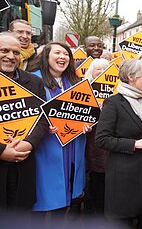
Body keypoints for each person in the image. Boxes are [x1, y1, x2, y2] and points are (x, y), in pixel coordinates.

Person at [95, 59, 142, 229]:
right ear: (131, 77)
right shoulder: (113, 103)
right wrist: (133, 144)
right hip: (124, 178)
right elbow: (102, 139)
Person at [26, 42, 89, 220]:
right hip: (45, 148)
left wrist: (86, 124)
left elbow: (84, 113)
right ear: (46, 57)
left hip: (72, 146)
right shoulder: (32, 80)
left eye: (66, 54)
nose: (62, 57)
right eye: (57, 53)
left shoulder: (76, 82)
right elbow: (25, 115)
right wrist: (44, 126)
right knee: (42, 197)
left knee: (64, 199)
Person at [0, 32, 46, 213]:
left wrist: (28, 143)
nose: (11, 56)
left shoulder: (35, 83)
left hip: (23, 166)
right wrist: (2, 150)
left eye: (16, 52)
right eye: (4, 50)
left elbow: (42, 118)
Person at [83, 58, 109, 215]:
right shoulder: (85, 90)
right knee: (94, 176)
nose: (101, 72)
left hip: (108, 141)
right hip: (92, 140)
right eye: (98, 69)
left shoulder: (116, 91)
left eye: (105, 69)